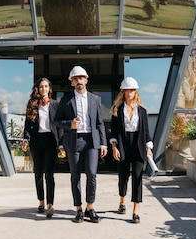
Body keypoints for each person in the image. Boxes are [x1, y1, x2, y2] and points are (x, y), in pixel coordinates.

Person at [55, 66, 107, 223]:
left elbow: (100, 123)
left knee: (92, 173)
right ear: (72, 82)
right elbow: (56, 121)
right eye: (75, 79)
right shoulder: (65, 100)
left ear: (86, 80)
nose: (79, 81)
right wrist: (70, 124)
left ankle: (89, 208)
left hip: (92, 141)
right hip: (74, 141)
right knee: (75, 175)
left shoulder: (95, 99)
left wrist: (103, 143)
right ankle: (78, 209)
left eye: (81, 78)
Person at [109, 77, 154, 224]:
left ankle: (135, 211)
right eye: (127, 90)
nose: (129, 93)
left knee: (137, 176)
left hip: (138, 145)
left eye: (132, 90)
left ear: (136, 92)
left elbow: (146, 132)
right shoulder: (117, 110)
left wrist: (149, 148)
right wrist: (114, 148)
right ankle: (122, 200)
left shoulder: (142, 111)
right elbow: (114, 132)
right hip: (123, 145)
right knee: (123, 176)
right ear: (123, 92)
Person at [22, 77, 63, 218]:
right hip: (36, 141)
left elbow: (60, 126)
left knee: (49, 174)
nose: (43, 89)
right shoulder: (32, 104)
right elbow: (27, 126)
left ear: (49, 89)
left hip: (51, 141)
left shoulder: (55, 105)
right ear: (37, 89)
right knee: (38, 172)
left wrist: (61, 143)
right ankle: (41, 201)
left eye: (46, 86)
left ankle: (50, 204)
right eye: (41, 86)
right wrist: (26, 139)